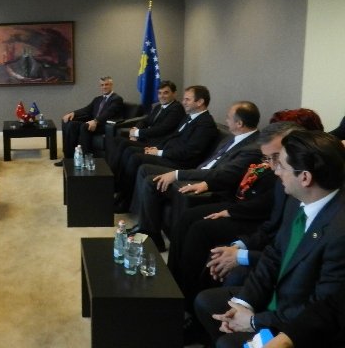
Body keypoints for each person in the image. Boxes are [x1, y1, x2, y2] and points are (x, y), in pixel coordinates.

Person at [194, 131, 345, 348]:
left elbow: (322, 308)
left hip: (300, 321)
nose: (276, 171)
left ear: (305, 178)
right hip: (276, 297)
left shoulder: (339, 233)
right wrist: (244, 303)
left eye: (281, 166)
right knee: (206, 302)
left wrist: (254, 321)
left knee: (228, 342)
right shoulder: (296, 200)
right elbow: (273, 255)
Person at [205, 109, 325, 288]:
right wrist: (239, 247)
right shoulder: (283, 185)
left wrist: (242, 256)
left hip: (291, 275)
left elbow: (298, 257)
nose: (274, 168)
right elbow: (274, 228)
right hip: (270, 250)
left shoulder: (321, 202)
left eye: (277, 158)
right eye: (268, 159)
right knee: (215, 257)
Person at [131, 101, 262, 251]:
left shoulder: (252, 148)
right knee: (149, 174)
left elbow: (223, 175)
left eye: (228, 117)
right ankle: (147, 229)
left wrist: (178, 174)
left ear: (239, 123)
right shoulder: (233, 137)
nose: (226, 120)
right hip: (200, 172)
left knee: (152, 181)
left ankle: (152, 236)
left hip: (212, 186)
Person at [113, 85, 218, 212]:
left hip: (181, 163)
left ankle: (125, 202)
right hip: (169, 154)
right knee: (130, 151)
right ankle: (120, 193)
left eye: (187, 99)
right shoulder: (189, 117)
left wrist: (160, 153)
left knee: (136, 158)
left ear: (200, 102)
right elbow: (173, 137)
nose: (183, 102)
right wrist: (156, 148)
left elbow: (189, 152)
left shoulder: (205, 124)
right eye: (184, 99)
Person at [106, 80, 184, 174]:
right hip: (147, 139)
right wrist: (135, 130)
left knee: (125, 145)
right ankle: (110, 172)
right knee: (117, 140)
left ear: (174, 93)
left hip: (157, 144)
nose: (161, 96)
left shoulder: (177, 108)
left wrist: (137, 133)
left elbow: (161, 129)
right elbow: (145, 121)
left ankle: (113, 174)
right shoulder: (158, 107)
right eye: (159, 93)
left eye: (165, 93)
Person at [55, 75, 124, 165]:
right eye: (102, 85)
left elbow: (109, 113)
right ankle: (68, 159)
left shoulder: (117, 99)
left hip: (105, 125)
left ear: (111, 85)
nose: (104, 87)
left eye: (106, 84)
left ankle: (84, 159)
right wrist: (73, 113)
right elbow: (87, 109)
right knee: (71, 125)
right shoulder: (98, 99)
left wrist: (96, 121)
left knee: (85, 126)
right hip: (93, 123)